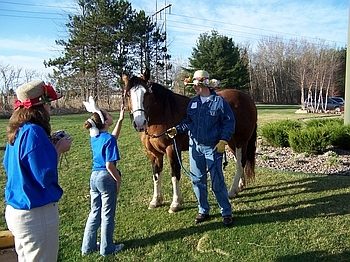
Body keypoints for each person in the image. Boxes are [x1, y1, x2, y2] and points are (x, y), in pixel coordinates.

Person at [3, 80, 73, 261]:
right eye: (48, 103)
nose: (51, 107)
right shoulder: (34, 132)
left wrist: (48, 146)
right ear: (40, 106)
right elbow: (45, 175)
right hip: (36, 213)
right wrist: (58, 150)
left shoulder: (18, 130)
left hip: (17, 210)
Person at [167, 70, 235, 227]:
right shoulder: (193, 102)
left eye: (196, 85)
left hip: (213, 148)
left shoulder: (219, 102)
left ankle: (226, 211)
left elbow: (229, 122)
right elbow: (189, 122)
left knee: (217, 182)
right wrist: (177, 129)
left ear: (205, 85)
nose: (194, 88)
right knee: (197, 180)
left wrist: (223, 140)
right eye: (193, 86)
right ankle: (203, 210)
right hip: (195, 148)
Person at [81, 97, 125, 256]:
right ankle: (107, 249)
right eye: (108, 114)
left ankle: (87, 246)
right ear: (106, 122)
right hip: (106, 177)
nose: (110, 114)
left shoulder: (96, 137)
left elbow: (112, 138)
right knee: (107, 215)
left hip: (94, 177)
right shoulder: (108, 140)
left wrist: (120, 120)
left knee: (95, 212)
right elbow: (109, 165)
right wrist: (118, 180)